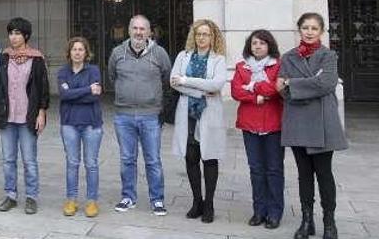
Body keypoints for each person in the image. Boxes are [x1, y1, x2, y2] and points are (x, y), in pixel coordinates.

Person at [277, 12, 347, 239]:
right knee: (304, 174)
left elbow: (326, 83)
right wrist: (303, 85)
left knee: (324, 174)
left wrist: (292, 84)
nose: (309, 32)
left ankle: (329, 221)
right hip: (297, 122)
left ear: (321, 32)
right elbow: (281, 89)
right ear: (299, 30)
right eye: (305, 28)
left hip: (323, 123)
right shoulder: (288, 57)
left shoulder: (328, 55)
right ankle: (307, 221)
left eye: (314, 28)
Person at [107, 14, 171, 216]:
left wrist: (159, 106)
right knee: (127, 158)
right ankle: (128, 197)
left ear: (149, 32)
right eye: (135, 28)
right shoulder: (117, 53)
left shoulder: (159, 53)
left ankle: (157, 200)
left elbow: (167, 79)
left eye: (143, 28)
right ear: (129, 30)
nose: (138, 32)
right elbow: (111, 77)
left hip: (150, 116)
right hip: (123, 116)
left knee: (153, 160)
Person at [170, 19, 228, 224]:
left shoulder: (219, 60)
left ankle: (209, 203)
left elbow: (217, 84)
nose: (202, 38)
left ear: (213, 38)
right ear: (193, 36)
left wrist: (186, 80)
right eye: (198, 34)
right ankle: (197, 202)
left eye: (206, 34)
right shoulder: (182, 56)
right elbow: (173, 82)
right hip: (188, 115)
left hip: (209, 115)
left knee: (210, 159)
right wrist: (202, 90)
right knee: (191, 157)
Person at [0, 17, 49, 215]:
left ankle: (31, 197)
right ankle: (11, 195)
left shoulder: (36, 59)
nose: (13, 37)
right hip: (7, 116)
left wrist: (42, 112)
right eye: (11, 33)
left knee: (29, 160)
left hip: (28, 116)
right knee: (8, 159)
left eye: (17, 33)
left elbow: (42, 89)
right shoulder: (4, 58)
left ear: (25, 36)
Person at [230, 30, 284, 230]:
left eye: (262, 43)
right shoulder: (241, 67)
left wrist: (251, 86)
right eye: (254, 43)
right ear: (249, 46)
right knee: (256, 170)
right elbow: (236, 91)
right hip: (249, 124)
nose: (258, 46)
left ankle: (275, 212)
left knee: (274, 170)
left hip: (273, 125)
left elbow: (275, 89)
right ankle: (259, 211)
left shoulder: (278, 65)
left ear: (269, 45)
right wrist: (257, 96)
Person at [57, 37, 103, 218]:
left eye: (81, 49)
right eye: (74, 49)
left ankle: (91, 201)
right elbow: (63, 95)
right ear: (69, 53)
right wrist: (86, 89)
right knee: (72, 163)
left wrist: (73, 93)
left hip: (91, 123)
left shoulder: (94, 70)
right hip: (69, 124)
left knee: (91, 164)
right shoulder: (63, 72)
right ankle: (71, 199)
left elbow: (96, 96)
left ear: (86, 53)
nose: (77, 52)